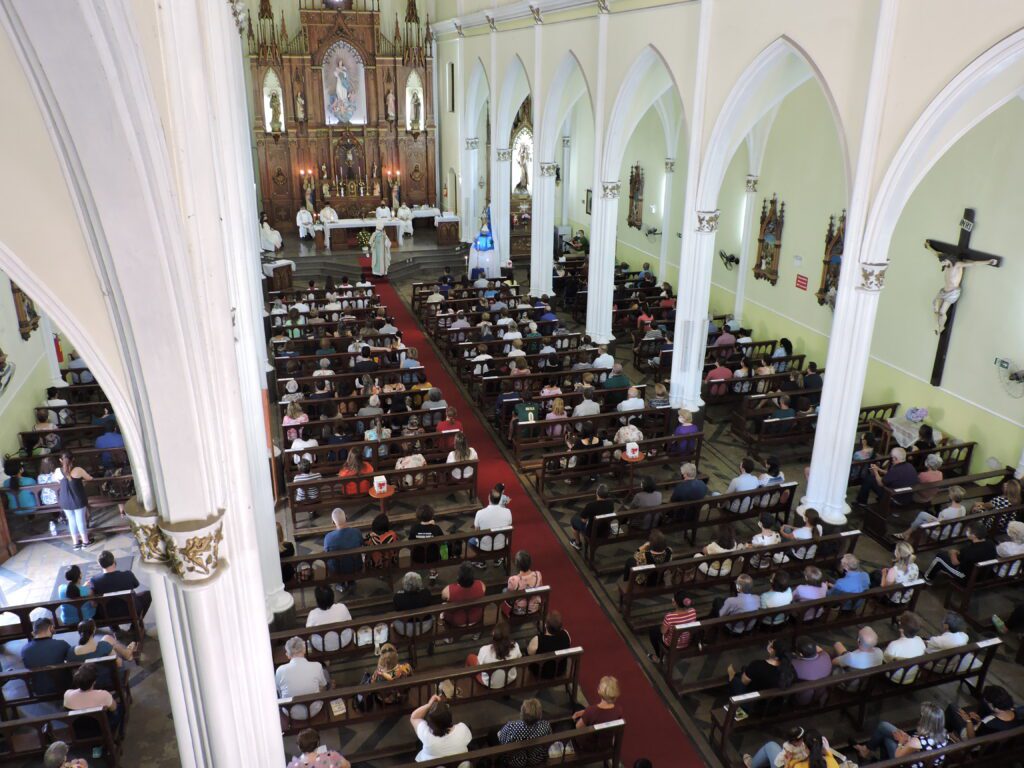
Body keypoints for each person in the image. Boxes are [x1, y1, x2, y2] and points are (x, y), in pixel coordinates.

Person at [854, 702, 948, 763]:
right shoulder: (944, 734)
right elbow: (921, 747)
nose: (919, 719)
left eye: (921, 717)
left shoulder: (916, 742)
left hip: (906, 763)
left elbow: (898, 757)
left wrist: (901, 742)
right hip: (919, 758)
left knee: (886, 736)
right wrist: (908, 739)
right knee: (884, 727)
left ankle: (870, 754)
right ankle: (866, 750)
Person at [66, 619, 137, 689]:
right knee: (130, 660)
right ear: (94, 630)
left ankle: (127, 651)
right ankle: (128, 652)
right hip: (110, 682)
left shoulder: (71, 652)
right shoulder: (104, 646)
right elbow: (119, 664)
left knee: (107, 638)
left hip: (85, 685)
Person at [923, 520, 997, 583]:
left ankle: (927, 578)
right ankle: (942, 569)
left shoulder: (970, 550)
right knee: (944, 555)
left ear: (974, 535)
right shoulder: (990, 543)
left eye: (968, 531)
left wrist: (953, 552)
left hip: (966, 578)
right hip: (984, 575)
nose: (967, 532)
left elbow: (955, 562)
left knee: (939, 557)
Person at [90, 549, 152, 625]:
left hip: (108, 616)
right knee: (147, 594)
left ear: (99, 564)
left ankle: (115, 629)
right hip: (131, 611)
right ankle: (134, 626)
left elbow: (94, 601)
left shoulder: (95, 581)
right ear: (114, 561)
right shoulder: (128, 575)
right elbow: (136, 585)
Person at [276, 636, 329, 720]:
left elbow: (279, 691)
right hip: (314, 710)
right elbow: (323, 685)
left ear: (288, 655)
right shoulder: (317, 666)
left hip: (289, 711)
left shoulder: (280, 670)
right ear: (304, 650)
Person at [945, 684, 1024, 740]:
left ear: (994, 706)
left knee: (952, 709)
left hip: (977, 744)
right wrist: (980, 721)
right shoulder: (1017, 713)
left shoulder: (989, 722)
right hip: (998, 743)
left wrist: (968, 721)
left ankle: (947, 733)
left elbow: (972, 738)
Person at [410, 696, 472, 762]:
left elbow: (414, 717)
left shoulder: (427, 736)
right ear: (449, 717)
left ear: (431, 722)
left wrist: (429, 705)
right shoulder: (462, 730)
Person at [896, 485, 966, 541]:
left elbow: (937, 527)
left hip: (941, 535)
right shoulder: (963, 508)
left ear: (951, 497)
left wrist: (929, 521)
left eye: (949, 494)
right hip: (953, 533)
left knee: (921, 520)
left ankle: (906, 534)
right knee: (922, 514)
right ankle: (907, 533)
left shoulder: (946, 512)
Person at [727, 637, 796, 695]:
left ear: (771, 650)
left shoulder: (757, 665)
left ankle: (731, 677)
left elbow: (743, 682)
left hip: (754, 700)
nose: (769, 643)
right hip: (772, 702)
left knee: (736, 680)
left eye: (770, 643)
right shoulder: (790, 668)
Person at [53, 452, 93, 549]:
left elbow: (57, 480)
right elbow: (90, 478)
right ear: (73, 459)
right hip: (78, 498)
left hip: (65, 499)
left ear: (60, 460)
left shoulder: (58, 471)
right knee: (81, 521)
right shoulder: (78, 470)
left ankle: (76, 543)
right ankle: (85, 542)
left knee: (71, 521)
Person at [22, 617, 73, 695]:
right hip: (62, 687)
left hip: (39, 689)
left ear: (34, 632)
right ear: (51, 628)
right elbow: (72, 659)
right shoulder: (61, 644)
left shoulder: (25, 650)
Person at [573, 676, 624, 751]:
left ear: (599, 691)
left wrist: (580, 716)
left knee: (576, 708)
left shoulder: (591, 711)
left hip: (589, 747)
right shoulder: (619, 710)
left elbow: (578, 727)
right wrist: (586, 712)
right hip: (606, 745)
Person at [497, 698, 552, 767]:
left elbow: (503, 742)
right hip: (537, 758)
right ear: (539, 714)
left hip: (517, 761)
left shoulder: (512, 727)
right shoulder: (545, 726)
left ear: (522, 713)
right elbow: (549, 739)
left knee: (493, 734)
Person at [467, 622, 522, 688]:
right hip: (510, 679)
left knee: (470, 657)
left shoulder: (484, 650)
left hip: (489, 683)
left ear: (493, 634)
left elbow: (478, 667)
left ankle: (467, 680)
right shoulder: (516, 646)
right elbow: (519, 658)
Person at [648, 590, 696, 661]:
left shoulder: (670, 616)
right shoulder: (693, 611)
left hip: (672, 644)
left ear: (675, 603)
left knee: (653, 631)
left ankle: (659, 657)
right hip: (687, 641)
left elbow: (663, 632)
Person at [471, 486, 513, 565]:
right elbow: (508, 527)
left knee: (471, 541)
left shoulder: (480, 513)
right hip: (502, 545)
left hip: (484, 547)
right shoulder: (508, 511)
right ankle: (497, 558)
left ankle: (481, 560)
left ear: (489, 498)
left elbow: (476, 532)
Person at [883, 611, 927, 683]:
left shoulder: (894, 645)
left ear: (901, 628)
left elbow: (886, 661)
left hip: (895, 678)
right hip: (914, 675)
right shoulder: (920, 641)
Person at [305, 585, 353, 652]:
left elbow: (308, 631)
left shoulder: (313, 614)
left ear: (317, 601)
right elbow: (350, 621)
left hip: (321, 646)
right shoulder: (342, 607)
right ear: (332, 597)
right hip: (343, 641)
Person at [441, 562, 486, 633]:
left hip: (456, 621)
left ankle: (449, 636)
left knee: (443, 605)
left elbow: (443, 598)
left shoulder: (448, 590)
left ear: (458, 576)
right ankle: (476, 633)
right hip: (476, 617)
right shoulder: (481, 585)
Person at [324, 508, 363, 588]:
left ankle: (340, 584)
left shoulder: (328, 537)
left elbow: (327, 552)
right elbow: (361, 543)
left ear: (332, 522)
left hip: (337, 570)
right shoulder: (356, 532)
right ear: (346, 518)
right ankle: (351, 582)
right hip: (355, 566)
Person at [570, 484, 614, 551]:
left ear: (596, 493)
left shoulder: (591, 505)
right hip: (605, 530)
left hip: (591, 532)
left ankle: (577, 543)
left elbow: (583, 520)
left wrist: (588, 520)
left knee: (573, 520)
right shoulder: (611, 503)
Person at [527, 611, 572, 678]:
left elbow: (530, 654)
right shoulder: (566, 634)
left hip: (541, 673)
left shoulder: (538, 640)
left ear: (545, 625)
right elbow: (568, 645)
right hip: (560, 670)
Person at [505, 550, 543, 616]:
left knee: (504, 591)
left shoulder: (513, 580)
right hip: (534, 608)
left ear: (517, 565)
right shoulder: (538, 575)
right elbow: (541, 590)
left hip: (519, 611)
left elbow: (510, 596)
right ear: (530, 562)